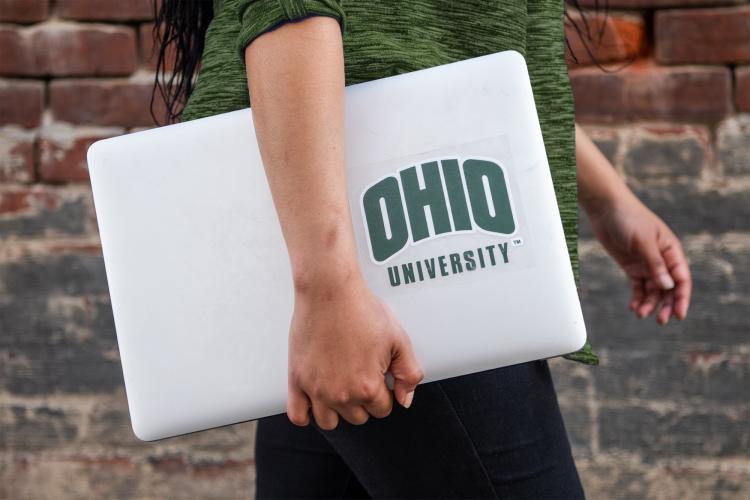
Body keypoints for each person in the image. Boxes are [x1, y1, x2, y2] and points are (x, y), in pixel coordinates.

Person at [152, 0, 692, 497]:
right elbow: (290, 9)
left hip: (356, 249)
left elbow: (438, 48)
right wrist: (329, 285)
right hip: (400, 256)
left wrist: (607, 198)